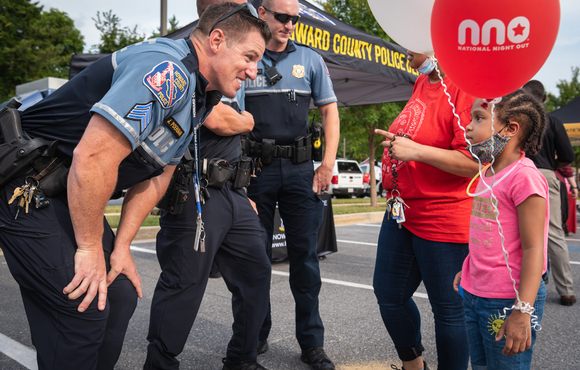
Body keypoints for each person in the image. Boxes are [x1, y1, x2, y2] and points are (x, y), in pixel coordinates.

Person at [0, 3, 269, 369]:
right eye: (250, 56)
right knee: (83, 308)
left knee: (121, 295)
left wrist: (121, 246)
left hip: (66, 191)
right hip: (24, 184)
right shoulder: (167, 70)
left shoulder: (201, 96)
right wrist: (89, 247)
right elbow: (93, 157)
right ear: (217, 40)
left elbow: (158, 174)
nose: (254, 71)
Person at [143, 2, 272, 370]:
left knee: (256, 273)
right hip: (194, 189)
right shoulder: (192, 54)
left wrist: (242, 194)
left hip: (233, 190)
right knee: (184, 282)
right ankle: (160, 364)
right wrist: (246, 121)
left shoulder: (235, 52)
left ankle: (242, 358)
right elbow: (217, 119)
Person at [243, 0, 340, 368]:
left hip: (301, 171)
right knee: (255, 260)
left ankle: (312, 344)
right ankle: (255, 335)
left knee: (306, 262)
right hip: (256, 172)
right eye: (283, 17)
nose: (289, 25)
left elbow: (330, 112)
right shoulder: (247, 56)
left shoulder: (311, 60)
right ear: (262, 13)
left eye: (295, 19)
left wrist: (327, 163)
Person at [374, 51, 479, 370]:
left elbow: (477, 161)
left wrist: (416, 150)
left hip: (443, 217)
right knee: (389, 296)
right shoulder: (423, 81)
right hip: (402, 212)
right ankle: (413, 364)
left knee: (449, 312)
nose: (405, 51)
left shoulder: (465, 87)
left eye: (411, 44)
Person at [454, 89, 548, 370]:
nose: (468, 126)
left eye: (479, 118)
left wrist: (522, 311)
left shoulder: (524, 178)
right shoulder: (488, 171)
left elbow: (534, 249)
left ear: (510, 129)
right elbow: (490, 232)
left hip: (509, 300)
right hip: (474, 293)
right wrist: (470, 266)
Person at [523, 80, 576, 306]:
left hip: (519, 173)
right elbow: (567, 156)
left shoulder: (518, 121)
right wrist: (552, 166)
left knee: (520, 233)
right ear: (544, 98)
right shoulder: (553, 121)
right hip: (545, 174)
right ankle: (566, 290)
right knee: (553, 232)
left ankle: (527, 285)